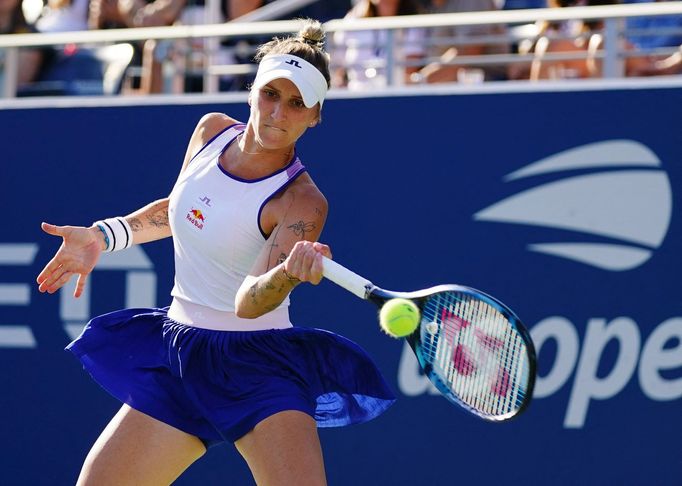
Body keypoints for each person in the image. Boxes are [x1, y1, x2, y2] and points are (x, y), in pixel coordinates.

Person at [36, 19, 395, 485]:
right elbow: (182, 209)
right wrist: (104, 235)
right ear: (252, 92)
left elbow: (249, 303)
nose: (278, 114)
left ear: (314, 115)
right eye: (271, 95)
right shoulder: (210, 132)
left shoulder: (302, 201)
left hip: (258, 365)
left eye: (296, 104)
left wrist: (287, 273)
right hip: (180, 352)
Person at [331, 0, 426, 90]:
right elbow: (338, 69)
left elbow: (409, 71)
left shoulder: (413, 23)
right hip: (355, 96)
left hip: (395, 96)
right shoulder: (352, 19)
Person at [413, 0, 510, 84]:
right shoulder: (427, 5)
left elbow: (470, 51)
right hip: (445, 88)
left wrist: (421, 80)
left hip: (486, 86)